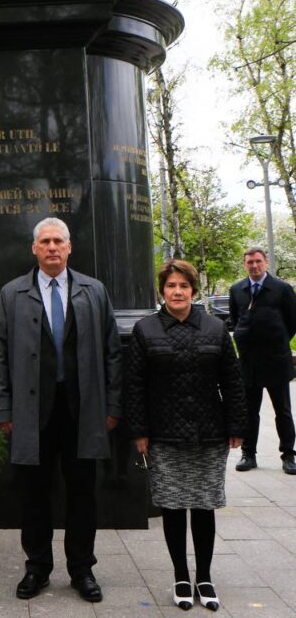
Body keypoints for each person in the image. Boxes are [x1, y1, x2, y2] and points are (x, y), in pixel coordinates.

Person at [0, 218, 122, 603]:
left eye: (58, 241)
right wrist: (2, 408)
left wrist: (113, 405)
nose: (52, 247)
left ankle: (82, 570)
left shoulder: (94, 291)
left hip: (83, 411)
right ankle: (37, 567)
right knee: (34, 494)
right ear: (34, 248)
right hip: (31, 413)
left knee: (83, 494)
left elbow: (113, 353)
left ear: (69, 247)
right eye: (45, 241)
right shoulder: (12, 293)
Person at [126, 260, 246, 611]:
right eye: (170, 286)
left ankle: (204, 577)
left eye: (183, 286)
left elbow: (232, 381)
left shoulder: (215, 328)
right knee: (173, 506)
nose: (177, 292)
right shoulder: (145, 330)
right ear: (162, 291)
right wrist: (139, 432)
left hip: (209, 433)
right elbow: (135, 387)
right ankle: (181, 575)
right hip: (163, 435)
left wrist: (237, 426)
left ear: (193, 290)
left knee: (204, 505)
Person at [229, 247, 296, 475]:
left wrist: (276, 340)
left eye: (258, 261)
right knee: (249, 411)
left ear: (266, 262)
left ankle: (289, 455)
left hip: (276, 360)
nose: (254, 266)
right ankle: (248, 454)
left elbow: (292, 322)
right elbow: (236, 319)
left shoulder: (282, 289)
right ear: (245, 264)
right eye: (250, 262)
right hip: (249, 362)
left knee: (283, 411)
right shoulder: (237, 290)